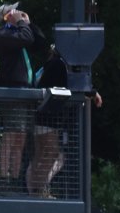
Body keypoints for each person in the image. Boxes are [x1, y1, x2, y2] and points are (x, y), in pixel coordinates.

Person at [29, 45, 103, 198]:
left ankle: (34, 191)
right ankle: (38, 191)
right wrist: (91, 92)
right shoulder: (58, 65)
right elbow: (74, 85)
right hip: (48, 117)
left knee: (41, 154)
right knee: (51, 153)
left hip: (42, 116)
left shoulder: (52, 64)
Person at [0, 1, 42, 187]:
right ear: (7, 16)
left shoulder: (20, 32)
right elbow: (26, 39)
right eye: (15, 11)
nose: (19, 12)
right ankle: (4, 178)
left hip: (26, 90)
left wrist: (29, 22)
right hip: (12, 90)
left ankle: (14, 178)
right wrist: (21, 23)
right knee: (11, 134)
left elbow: (38, 41)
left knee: (21, 135)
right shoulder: (2, 35)